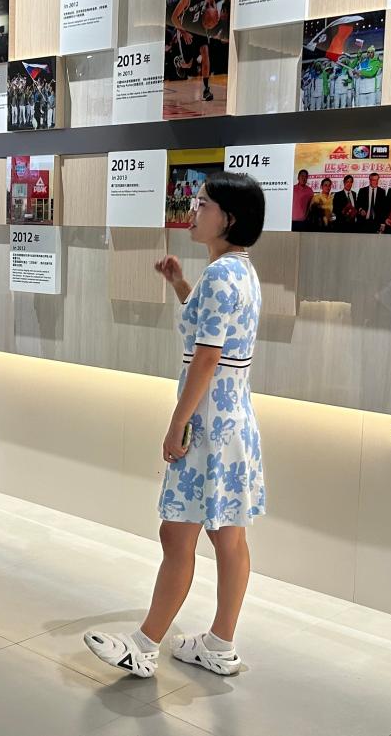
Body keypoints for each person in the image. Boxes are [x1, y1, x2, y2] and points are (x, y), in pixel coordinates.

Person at [84, 171, 266, 679]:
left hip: (205, 424)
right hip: (233, 421)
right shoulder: (240, 272)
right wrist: (181, 283)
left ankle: (144, 645)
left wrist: (176, 424)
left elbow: (206, 358)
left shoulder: (221, 276)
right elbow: (212, 330)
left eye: (203, 204)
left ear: (228, 218)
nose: (193, 210)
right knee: (228, 537)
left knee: (177, 535)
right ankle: (220, 643)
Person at [170, 0, 219, 103]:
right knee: (188, 64)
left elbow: (212, 1)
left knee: (205, 54)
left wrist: (214, 13)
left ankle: (206, 89)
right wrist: (183, 32)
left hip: (200, 27)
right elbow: (173, 18)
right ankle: (178, 62)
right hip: (186, 31)